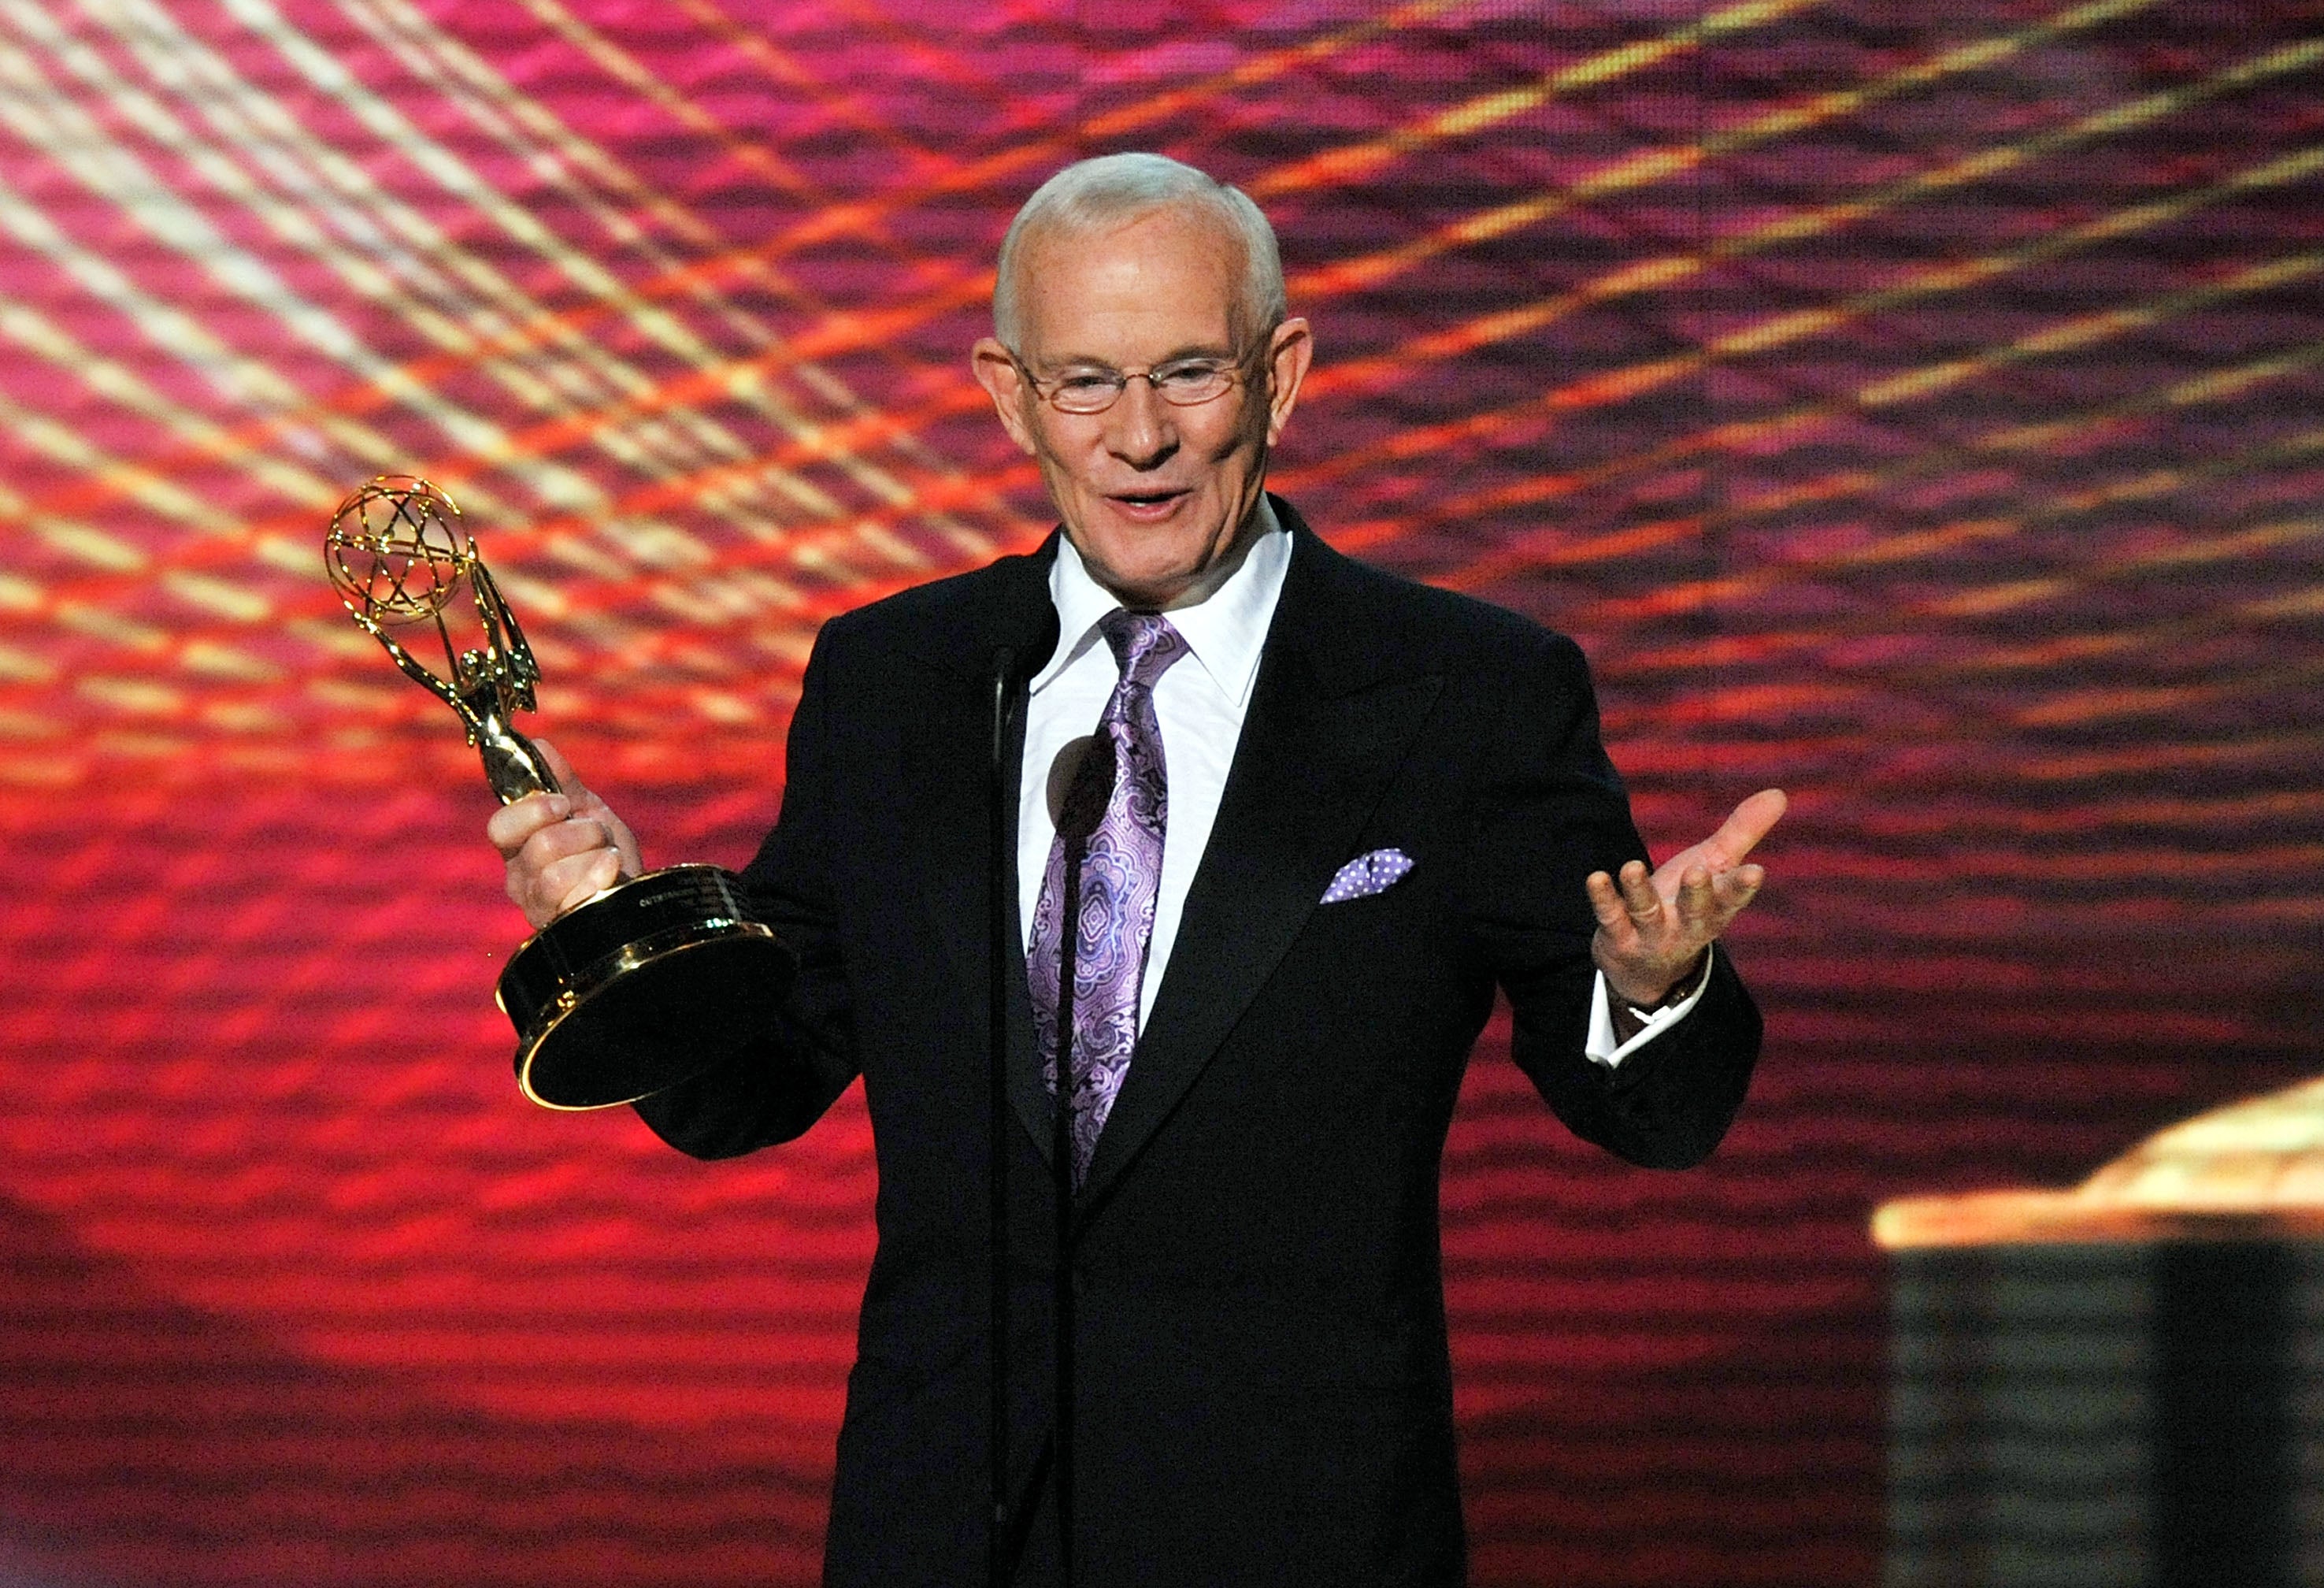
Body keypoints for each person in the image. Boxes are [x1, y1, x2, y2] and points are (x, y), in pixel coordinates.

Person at [492, 153, 1784, 1588]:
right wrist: (621, 933)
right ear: (1007, 393)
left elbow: (1656, 1118)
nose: (1142, 438)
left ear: (1281, 378)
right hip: (948, 1535)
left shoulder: (1467, 695)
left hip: (1299, 1535)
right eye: (1086, 384)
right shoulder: (893, 683)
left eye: (1189, 374)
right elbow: (750, 1084)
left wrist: (1654, 987)